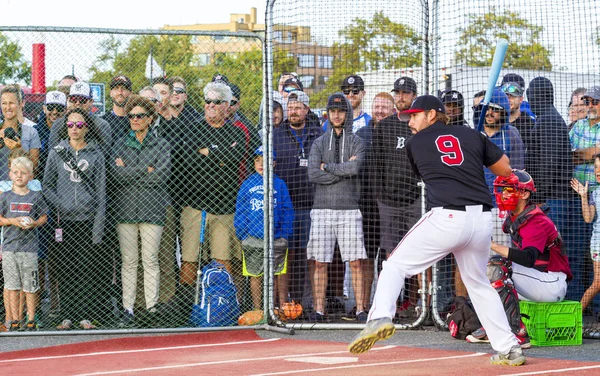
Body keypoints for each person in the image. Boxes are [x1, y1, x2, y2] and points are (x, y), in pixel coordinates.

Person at [348, 95, 525, 367]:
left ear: (432, 115)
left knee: (394, 265)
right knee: (478, 283)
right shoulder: (471, 135)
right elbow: (505, 169)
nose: (410, 123)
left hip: (447, 216)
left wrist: (470, 148)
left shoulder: (414, 144)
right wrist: (477, 148)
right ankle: (509, 348)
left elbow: (430, 173)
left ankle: (380, 318)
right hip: (481, 220)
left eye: (415, 116)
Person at [469, 170, 572, 347]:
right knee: (490, 267)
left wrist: (492, 245)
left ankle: (518, 333)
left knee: (497, 266)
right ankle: (495, 326)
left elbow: (528, 258)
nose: (503, 195)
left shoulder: (535, 220)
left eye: (509, 190)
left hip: (552, 282)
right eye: (502, 190)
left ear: (524, 193)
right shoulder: (515, 216)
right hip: (536, 279)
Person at [173, 81, 247, 323]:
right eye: (208, 101)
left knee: (223, 263)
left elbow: (235, 157)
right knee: (189, 264)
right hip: (195, 207)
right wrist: (219, 157)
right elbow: (188, 162)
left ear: (227, 106)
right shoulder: (193, 129)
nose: (211, 106)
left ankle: (221, 311)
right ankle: (187, 313)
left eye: (217, 102)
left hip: (225, 209)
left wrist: (207, 153)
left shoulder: (236, 131)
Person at [43, 108, 107, 330]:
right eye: (70, 125)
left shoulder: (96, 154)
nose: (74, 129)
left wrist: (98, 226)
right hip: (64, 221)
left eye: (79, 125)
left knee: (86, 268)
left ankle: (85, 315)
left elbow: (101, 194)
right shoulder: (56, 152)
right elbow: (47, 186)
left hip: (87, 220)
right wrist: (61, 203)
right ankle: (67, 316)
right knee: (65, 268)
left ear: (87, 128)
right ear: (65, 127)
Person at [111, 95, 171, 326]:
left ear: (150, 118)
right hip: (125, 210)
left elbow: (160, 176)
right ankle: (128, 309)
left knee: (150, 260)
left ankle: (151, 307)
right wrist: (144, 170)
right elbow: (116, 175)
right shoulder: (119, 143)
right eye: (131, 116)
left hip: (152, 210)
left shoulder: (162, 144)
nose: (135, 120)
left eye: (140, 116)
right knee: (129, 260)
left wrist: (130, 171)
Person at [307, 93, 367, 322]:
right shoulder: (319, 142)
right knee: (320, 262)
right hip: (322, 209)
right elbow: (313, 173)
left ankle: (361, 309)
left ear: (347, 113)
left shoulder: (357, 141)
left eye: (341, 111)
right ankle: (319, 309)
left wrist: (327, 167)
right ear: (328, 114)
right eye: (333, 111)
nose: (337, 114)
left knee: (356, 262)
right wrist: (341, 170)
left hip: (349, 209)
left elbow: (355, 169)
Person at [526, 77, 578, 302]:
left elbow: (549, 164)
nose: (530, 97)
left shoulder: (548, 120)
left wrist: (537, 199)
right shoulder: (547, 118)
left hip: (553, 198)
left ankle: (566, 304)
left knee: (556, 254)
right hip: (553, 197)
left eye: (532, 93)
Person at [373, 79, 422, 317]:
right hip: (389, 201)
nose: (401, 96)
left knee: (420, 253)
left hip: (416, 199)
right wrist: (381, 196)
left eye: (406, 93)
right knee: (391, 256)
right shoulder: (384, 126)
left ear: (414, 95)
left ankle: (420, 304)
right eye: (398, 93)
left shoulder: (419, 125)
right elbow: (377, 164)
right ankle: (387, 308)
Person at [273, 90, 323, 311]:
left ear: (306, 110)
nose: (293, 111)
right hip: (284, 206)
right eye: (290, 108)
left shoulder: (317, 133)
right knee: (285, 255)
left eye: (297, 107)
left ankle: (308, 303)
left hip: (311, 204)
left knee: (310, 256)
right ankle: (283, 304)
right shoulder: (276, 133)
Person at [234, 146, 294, 309]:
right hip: (253, 237)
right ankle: (257, 309)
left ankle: (277, 308)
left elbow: (287, 210)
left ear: (273, 164)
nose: (261, 164)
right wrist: (243, 234)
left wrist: (283, 234)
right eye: (257, 160)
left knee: (276, 273)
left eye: (265, 161)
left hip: (276, 237)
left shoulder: (279, 184)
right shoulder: (247, 184)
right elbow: (241, 210)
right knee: (256, 274)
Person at [355, 92, 395, 314]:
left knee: (390, 259)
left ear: (392, 110)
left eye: (384, 107)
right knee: (367, 257)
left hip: (392, 206)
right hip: (368, 206)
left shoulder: (399, 132)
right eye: (376, 106)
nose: (379, 111)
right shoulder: (361, 134)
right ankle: (365, 306)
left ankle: (387, 306)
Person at [0, 156, 48, 331]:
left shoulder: (35, 196)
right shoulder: (5, 197)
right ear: (10, 174)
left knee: (30, 285)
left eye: (23, 173)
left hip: (29, 249)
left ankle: (31, 318)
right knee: (12, 285)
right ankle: (14, 318)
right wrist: (12, 221)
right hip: (10, 248)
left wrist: (33, 223)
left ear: (30, 176)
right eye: (15, 172)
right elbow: (1, 219)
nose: (19, 176)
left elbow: (44, 216)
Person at [48, 82, 112, 155]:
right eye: (74, 99)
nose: (78, 103)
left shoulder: (102, 125)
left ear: (91, 102)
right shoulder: (59, 123)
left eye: (82, 99)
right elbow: (52, 153)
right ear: (68, 100)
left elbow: (105, 155)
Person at [571, 155, 600, 313]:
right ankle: (575, 317)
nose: (598, 170)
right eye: (596, 167)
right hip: (598, 243)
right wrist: (584, 196)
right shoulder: (595, 193)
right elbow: (588, 218)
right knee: (598, 282)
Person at [0, 85, 41, 180]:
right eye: (4, 103)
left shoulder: (31, 132)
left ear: (20, 104)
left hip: (21, 186)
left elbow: (34, 168)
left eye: (11, 103)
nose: (8, 107)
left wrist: (19, 149)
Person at [501, 81, 535, 171]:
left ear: (520, 99)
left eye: (511, 96)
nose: (507, 100)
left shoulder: (529, 125)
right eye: (505, 97)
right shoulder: (496, 123)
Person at [34, 91, 67, 180]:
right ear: (44, 108)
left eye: (59, 108)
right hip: (39, 178)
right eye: (51, 107)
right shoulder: (34, 131)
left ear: (65, 110)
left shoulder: (71, 131)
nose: (55, 112)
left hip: (63, 179)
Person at [102, 75, 133, 142]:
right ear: (111, 93)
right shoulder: (102, 121)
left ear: (130, 93)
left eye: (124, 88)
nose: (120, 92)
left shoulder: (136, 120)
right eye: (116, 88)